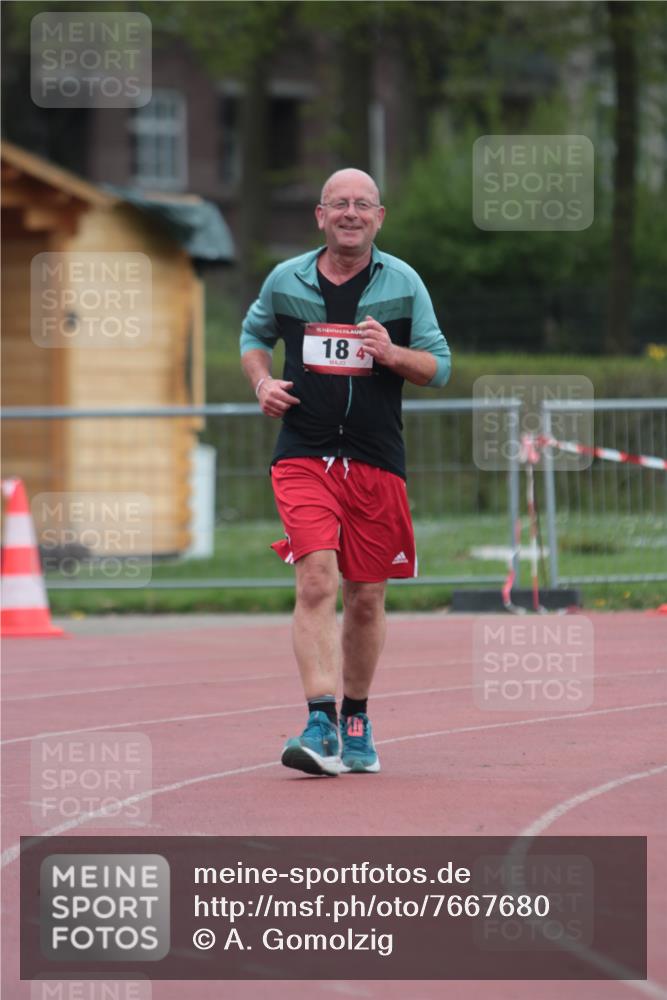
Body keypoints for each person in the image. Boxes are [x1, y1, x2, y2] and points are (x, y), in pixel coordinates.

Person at [240, 168, 451, 777]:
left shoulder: (404, 284)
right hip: (303, 452)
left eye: (363, 204)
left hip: (376, 459)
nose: (351, 213)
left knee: (365, 598)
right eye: (340, 204)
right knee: (315, 580)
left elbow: (438, 367)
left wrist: (390, 353)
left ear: (379, 217)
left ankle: (356, 718)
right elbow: (253, 335)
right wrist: (261, 381)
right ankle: (318, 719)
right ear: (320, 215)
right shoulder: (287, 279)